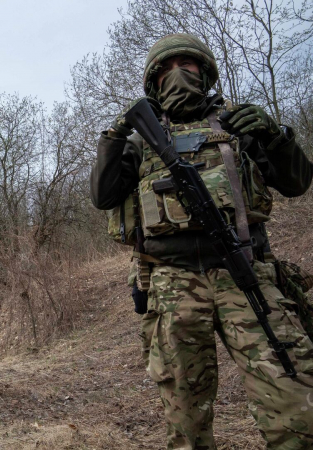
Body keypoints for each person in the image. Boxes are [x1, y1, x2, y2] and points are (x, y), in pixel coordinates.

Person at [90, 33, 313, 449]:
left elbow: (296, 183)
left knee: (293, 398)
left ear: (205, 72)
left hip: (245, 273)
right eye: (165, 69)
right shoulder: (138, 141)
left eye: (186, 66)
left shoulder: (237, 124)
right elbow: (103, 196)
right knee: (185, 414)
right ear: (153, 82)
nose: (176, 75)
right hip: (172, 283)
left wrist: (276, 136)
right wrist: (113, 137)